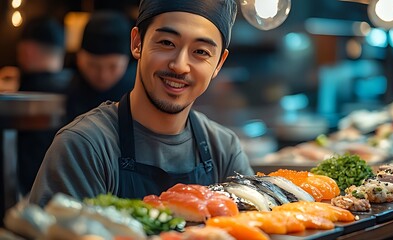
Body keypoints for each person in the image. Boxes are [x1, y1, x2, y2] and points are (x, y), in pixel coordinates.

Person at [29, 0, 254, 206]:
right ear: (137, 43)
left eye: (200, 52)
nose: (180, 65)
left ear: (218, 64)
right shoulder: (85, 147)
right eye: (167, 42)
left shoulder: (224, 150)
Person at [15, 16, 72, 196]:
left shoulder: (29, 90)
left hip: (29, 192)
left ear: (28, 51)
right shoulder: (75, 84)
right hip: (67, 190)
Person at [66, 10, 135, 122]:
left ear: (127, 61)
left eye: (113, 66)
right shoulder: (63, 94)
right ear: (79, 58)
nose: (103, 75)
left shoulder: (137, 96)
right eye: (93, 65)